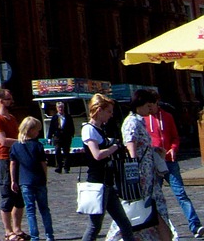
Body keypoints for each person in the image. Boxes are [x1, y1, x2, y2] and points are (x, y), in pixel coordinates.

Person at [81, 93, 135, 241]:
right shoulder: (88, 129)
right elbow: (97, 154)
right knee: (94, 226)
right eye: (109, 111)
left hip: (108, 183)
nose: (111, 115)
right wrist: (114, 147)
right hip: (98, 183)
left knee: (124, 223)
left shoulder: (100, 130)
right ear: (99, 110)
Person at [147, 99, 204, 238]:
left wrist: (173, 149)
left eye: (151, 105)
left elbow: (175, 137)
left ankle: (195, 226)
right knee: (155, 198)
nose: (149, 108)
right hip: (155, 163)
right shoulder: (143, 119)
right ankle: (161, 229)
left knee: (180, 194)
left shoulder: (167, 116)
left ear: (156, 104)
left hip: (170, 162)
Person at [123, 89, 173, 241]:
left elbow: (141, 147)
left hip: (149, 178)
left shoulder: (140, 121)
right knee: (141, 216)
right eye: (148, 105)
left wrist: (154, 151)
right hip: (142, 180)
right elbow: (131, 148)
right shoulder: (132, 122)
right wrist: (135, 177)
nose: (150, 109)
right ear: (140, 104)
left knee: (157, 215)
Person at [9, 118, 55, 241]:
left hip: (25, 182)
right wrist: (45, 177)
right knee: (44, 209)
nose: (39, 133)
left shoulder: (16, 146)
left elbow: (13, 164)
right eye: (37, 130)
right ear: (31, 130)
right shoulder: (38, 145)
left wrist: (13, 180)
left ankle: (35, 237)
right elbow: (43, 164)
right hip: (39, 180)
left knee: (30, 211)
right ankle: (49, 235)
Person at [0, 89, 26, 241]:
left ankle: (17, 229)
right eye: (8, 98)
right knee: (7, 195)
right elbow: (3, 141)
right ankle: (8, 231)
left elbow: (18, 134)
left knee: (19, 196)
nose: (11, 101)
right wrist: (22, 142)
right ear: (0, 100)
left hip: (16, 159)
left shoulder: (11, 118)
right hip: (4, 160)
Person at [45, 102, 74, 174]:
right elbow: (51, 128)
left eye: (62, 107)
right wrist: (49, 137)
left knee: (66, 152)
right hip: (57, 137)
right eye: (59, 107)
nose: (60, 109)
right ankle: (58, 167)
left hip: (66, 137)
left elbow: (71, 126)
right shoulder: (54, 117)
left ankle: (66, 168)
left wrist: (71, 134)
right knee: (57, 151)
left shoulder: (68, 117)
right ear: (57, 108)